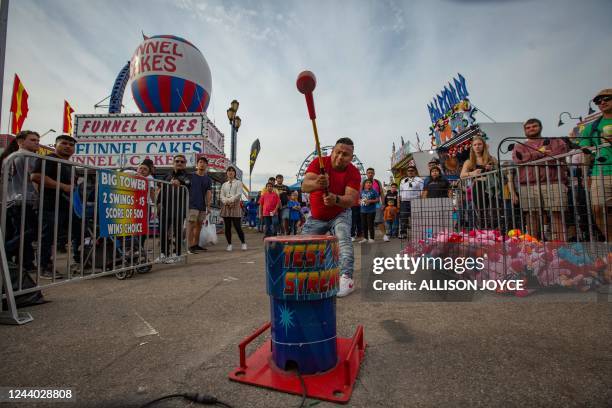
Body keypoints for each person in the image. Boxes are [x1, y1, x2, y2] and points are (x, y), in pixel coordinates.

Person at [301, 137, 361, 297]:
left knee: (343, 239)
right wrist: (317, 184)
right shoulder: (318, 162)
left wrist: (336, 199)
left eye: (345, 154)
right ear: (332, 151)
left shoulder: (353, 172)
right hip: (316, 215)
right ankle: (307, 276)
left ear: (351, 157)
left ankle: (346, 277)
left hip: (339, 212)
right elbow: (305, 186)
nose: (340, 157)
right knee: (304, 246)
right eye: (338, 152)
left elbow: (350, 200)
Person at [31, 135, 81, 278]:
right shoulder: (48, 159)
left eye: (71, 144)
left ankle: (79, 260)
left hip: (67, 206)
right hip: (49, 205)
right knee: (48, 237)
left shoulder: (70, 165)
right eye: (64, 143)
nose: (67, 146)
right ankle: (44, 266)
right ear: (55, 145)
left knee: (79, 231)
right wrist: (63, 187)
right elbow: (36, 176)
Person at [512, 118, 568, 241]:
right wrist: (541, 152)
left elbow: (558, 155)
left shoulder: (554, 141)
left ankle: (561, 244)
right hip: (528, 185)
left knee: (557, 213)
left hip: (553, 182)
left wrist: (530, 157)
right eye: (528, 127)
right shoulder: (519, 146)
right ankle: (532, 245)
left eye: (534, 126)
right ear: (524, 130)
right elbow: (517, 159)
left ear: (540, 127)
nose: (531, 129)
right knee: (532, 215)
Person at [4, 131, 40, 272]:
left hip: (13, 200)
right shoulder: (27, 157)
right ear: (20, 141)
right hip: (24, 200)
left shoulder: (10, 157)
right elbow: (34, 179)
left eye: (37, 140)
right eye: (32, 140)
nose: (36, 142)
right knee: (33, 230)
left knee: (22, 233)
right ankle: (6, 251)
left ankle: (25, 262)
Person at [579, 88, 612, 241]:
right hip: (601, 171)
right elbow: (586, 152)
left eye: (607, 98)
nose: (602, 102)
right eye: (599, 101)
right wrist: (586, 175)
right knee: (598, 209)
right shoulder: (590, 128)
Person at [460, 135, 498, 228]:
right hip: (478, 187)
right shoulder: (469, 161)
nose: (477, 146)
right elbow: (462, 175)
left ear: (484, 146)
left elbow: (499, 172)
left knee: (494, 210)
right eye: (475, 145)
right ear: (472, 147)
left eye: (479, 144)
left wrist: (492, 168)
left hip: (492, 186)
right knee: (480, 211)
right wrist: (472, 173)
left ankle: (493, 231)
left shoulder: (491, 159)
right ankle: (482, 233)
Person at [158, 154, 190, 261]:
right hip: (165, 208)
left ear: (185, 164)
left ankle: (178, 253)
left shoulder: (188, 176)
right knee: (163, 231)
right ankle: (164, 253)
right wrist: (158, 203)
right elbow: (160, 190)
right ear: (173, 163)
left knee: (178, 232)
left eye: (182, 162)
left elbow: (187, 183)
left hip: (179, 209)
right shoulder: (166, 175)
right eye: (177, 161)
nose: (179, 163)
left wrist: (180, 182)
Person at [188, 157, 212, 253]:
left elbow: (208, 192)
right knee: (191, 225)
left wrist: (208, 206)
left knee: (199, 226)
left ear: (207, 165)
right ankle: (189, 247)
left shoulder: (208, 179)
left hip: (202, 206)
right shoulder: (190, 176)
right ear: (197, 164)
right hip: (192, 205)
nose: (202, 164)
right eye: (200, 162)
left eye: (204, 163)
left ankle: (195, 244)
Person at [220, 166, 246, 251]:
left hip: (235, 205)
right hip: (226, 206)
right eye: (229, 171)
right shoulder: (224, 184)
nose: (230, 172)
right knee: (227, 227)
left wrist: (230, 201)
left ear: (235, 173)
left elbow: (238, 194)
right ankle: (229, 244)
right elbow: (221, 195)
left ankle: (243, 243)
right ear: (226, 173)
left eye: (232, 171)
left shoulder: (238, 182)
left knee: (237, 226)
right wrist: (226, 201)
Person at [399, 166, 424, 238]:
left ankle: (418, 232)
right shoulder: (403, 180)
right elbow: (400, 192)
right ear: (407, 172)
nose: (410, 172)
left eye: (412, 170)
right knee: (403, 217)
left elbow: (422, 191)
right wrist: (399, 202)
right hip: (404, 201)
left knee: (416, 217)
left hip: (415, 201)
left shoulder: (419, 180)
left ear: (415, 171)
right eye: (409, 170)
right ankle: (403, 233)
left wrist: (421, 201)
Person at [362, 168, 385, 240]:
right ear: (366, 174)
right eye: (369, 173)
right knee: (366, 222)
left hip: (377, 204)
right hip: (366, 206)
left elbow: (381, 193)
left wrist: (383, 203)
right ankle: (368, 237)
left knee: (379, 220)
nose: (370, 174)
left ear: (374, 173)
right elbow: (361, 193)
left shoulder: (377, 182)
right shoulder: (363, 182)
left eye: (372, 173)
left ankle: (384, 235)